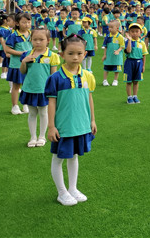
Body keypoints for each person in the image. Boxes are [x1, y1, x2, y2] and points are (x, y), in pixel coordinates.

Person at [46, 34, 97, 206]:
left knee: (74, 156)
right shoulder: (55, 78)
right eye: (70, 53)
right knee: (58, 158)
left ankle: (73, 188)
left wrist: (92, 120)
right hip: (63, 126)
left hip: (80, 125)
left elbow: (89, 99)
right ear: (62, 54)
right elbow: (51, 103)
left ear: (85, 54)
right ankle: (62, 192)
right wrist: (51, 126)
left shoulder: (88, 75)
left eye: (79, 53)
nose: (75, 57)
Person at [19, 27, 60, 147]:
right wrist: (24, 61)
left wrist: (52, 90)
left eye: (41, 39)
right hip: (29, 88)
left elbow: (53, 75)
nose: (37, 42)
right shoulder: (27, 54)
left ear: (48, 40)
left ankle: (42, 136)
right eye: (35, 39)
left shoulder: (52, 56)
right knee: (32, 113)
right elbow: (22, 71)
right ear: (31, 40)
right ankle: (33, 137)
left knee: (43, 112)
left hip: (44, 90)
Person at [4, 12, 33, 115]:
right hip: (17, 65)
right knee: (16, 87)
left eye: (28, 22)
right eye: (24, 22)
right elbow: (7, 50)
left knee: (27, 85)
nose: (27, 24)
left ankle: (25, 104)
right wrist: (22, 53)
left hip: (29, 65)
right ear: (17, 23)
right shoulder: (14, 35)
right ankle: (15, 106)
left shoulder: (32, 34)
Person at [123, 23, 148, 104]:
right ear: (129, 32)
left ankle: (135, 96)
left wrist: (143, 66)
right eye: (132, 31)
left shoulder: (142, 43)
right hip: (129, 62)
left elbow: (144, 55)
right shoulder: (127, 41)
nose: (134, 33)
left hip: (139, 63)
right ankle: (129, 97)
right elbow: (128, 51)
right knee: (129, 81)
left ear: (140, 32)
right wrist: (129, 40)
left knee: (136, 81)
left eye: (137, 31)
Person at [102, 20, 125, 87]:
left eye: (112, 27)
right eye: (109, 27)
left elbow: (122, 46)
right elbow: (105, 46)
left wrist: (118, 50)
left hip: (117, 57)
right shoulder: (107, 36)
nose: (110, 29)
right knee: (106, 68)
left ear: (117, 28)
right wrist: (104, 55)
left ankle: (115, 80)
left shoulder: (120, 37)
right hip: (109, 56)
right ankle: (105, 80)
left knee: (116, 69)